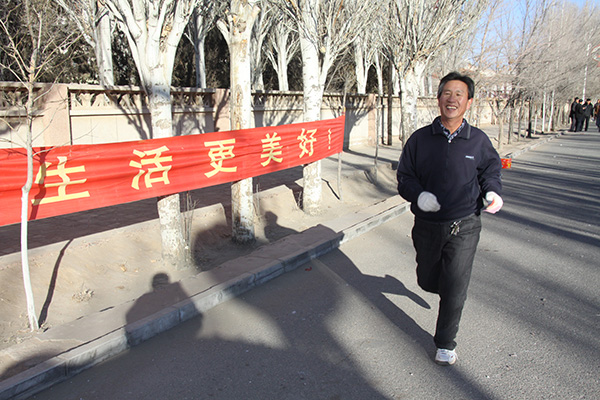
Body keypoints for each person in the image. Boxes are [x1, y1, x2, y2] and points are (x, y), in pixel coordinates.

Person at [396, 71, 503, 366]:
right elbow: (405, 176)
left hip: (465, 224)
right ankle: (437, 283)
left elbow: (490, 171)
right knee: (428, 278)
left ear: (469, 101)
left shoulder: (478, 140)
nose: (452, 99)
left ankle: (445, 342)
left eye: (459, 94)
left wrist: (492, 192)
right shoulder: (420, 139)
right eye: (447, 93)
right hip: (427, 226)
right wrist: (418, 195)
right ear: (438, 98)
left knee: (455, 285)